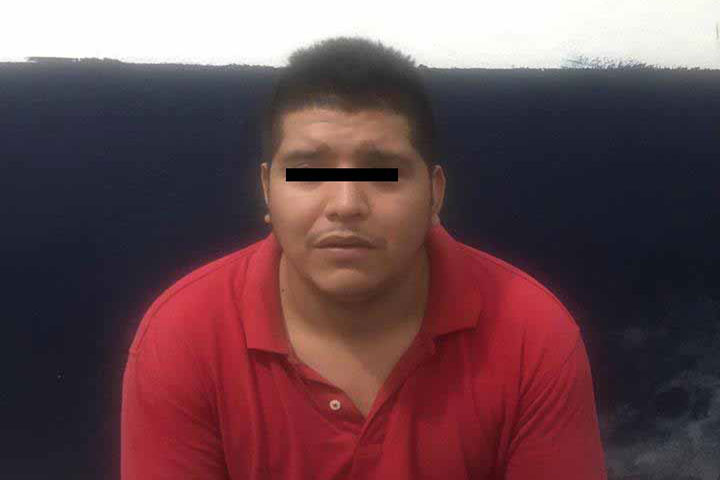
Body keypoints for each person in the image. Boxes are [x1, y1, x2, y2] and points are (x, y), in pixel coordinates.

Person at [121, 36, 608, 479]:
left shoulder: (532, 334)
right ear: (267, 189)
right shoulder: (183, 334)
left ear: (435, 194)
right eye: (308, 171)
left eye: (383, 172)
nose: (346, 204)